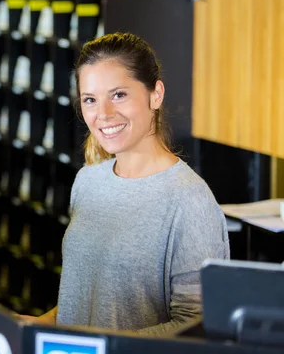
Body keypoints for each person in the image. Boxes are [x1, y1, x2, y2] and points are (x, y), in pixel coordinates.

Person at [22, 32, 230, 335]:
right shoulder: (88, 181)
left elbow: (196, 326)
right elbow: (83, 302)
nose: (103, 114)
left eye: (119, 94)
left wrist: (103, 347)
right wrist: (33, 324)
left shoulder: (190, 200)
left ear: (155, 94)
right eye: (90, 100)